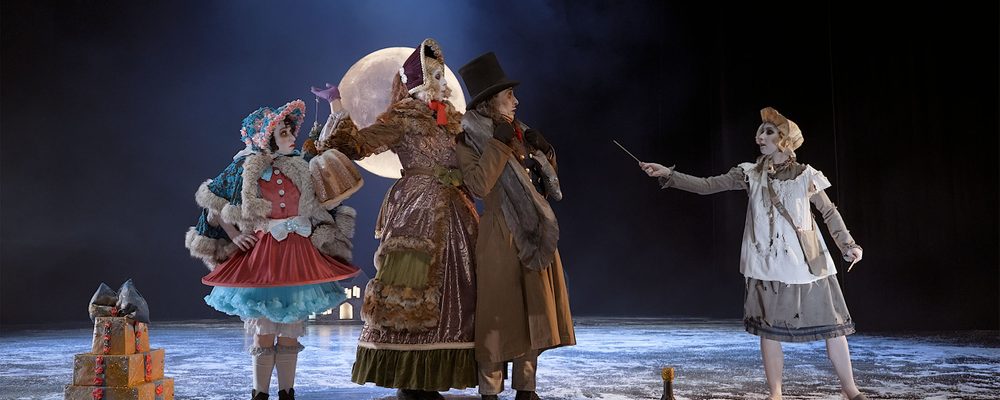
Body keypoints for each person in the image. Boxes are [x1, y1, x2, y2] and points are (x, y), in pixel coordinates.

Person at [639, 107, 867, 400]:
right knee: (769, 332)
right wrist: (669, 174)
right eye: (760, 131)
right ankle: (776, 393)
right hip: (767, 263)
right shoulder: (749, 173)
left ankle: (850, 388)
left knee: (834, 329)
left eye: (768, 131)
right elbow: (707, 185)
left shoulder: (806, 175)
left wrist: (848, 245)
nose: (760, 136)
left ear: (784, 139)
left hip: (808, 263)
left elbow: (828, 212)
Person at [313, 38, 477, 400]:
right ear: (418, 81)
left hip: (453, 208)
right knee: (410, 287)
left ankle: (432, 378)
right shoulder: (402, 116)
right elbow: (356, 144)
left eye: (441, 74)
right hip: (415, 211)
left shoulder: (452, 120)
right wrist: (338, 104)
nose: (442, 81)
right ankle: (407, 377)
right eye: (434, 74)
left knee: (455, 288)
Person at [185, 99, 360, 400]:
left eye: (290, 131)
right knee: (264, 330)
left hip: (298, 254)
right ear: (267, 138)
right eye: (283, 133)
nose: (292, 137)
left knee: (291, 330)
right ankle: (260, 394)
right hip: (265, 256)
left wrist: (334, 103)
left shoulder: (301, 164)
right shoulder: (246, 168)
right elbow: (213, 209)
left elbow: (327, 144)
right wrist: (235, 235)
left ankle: (287, 392)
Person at [455, 52, 575, 400]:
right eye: (509, 96)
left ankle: (527, 387)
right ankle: (490, 390)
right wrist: (498, 143)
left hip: (532, 229)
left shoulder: (518, 132)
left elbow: (544, 185)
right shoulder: (468, 139)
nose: (516, 100)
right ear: (492, 101)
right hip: (499, 233)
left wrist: (544, 151)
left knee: (531, 310)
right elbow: (478, 185)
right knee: (497, 313)